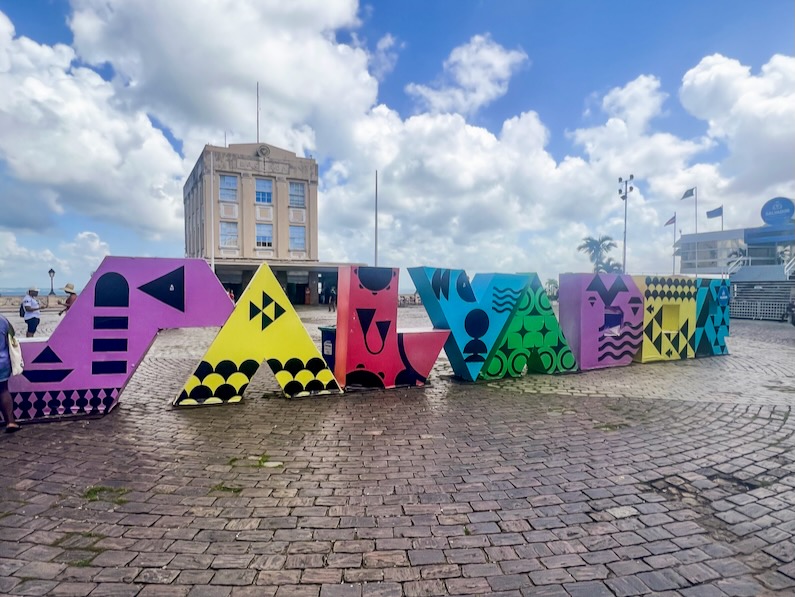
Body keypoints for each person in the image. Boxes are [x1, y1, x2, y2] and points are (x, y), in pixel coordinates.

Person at [0, 313, 20, 432]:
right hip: (2, 362)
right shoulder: (3, 320)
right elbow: (12, 336)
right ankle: (10, 422)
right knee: (3, 390)